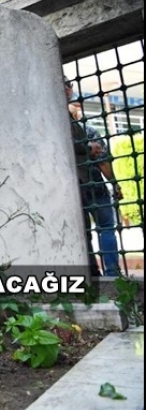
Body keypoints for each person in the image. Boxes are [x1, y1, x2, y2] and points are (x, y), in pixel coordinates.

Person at [65, 78, 123, 277]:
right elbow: (104, 162)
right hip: (94, 184)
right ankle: (112, 272)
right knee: (106, 227)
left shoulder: (64, 130)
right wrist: (115, 184)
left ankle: (92, 271)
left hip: (75, 186)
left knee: (84, 232)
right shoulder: (90, 132)